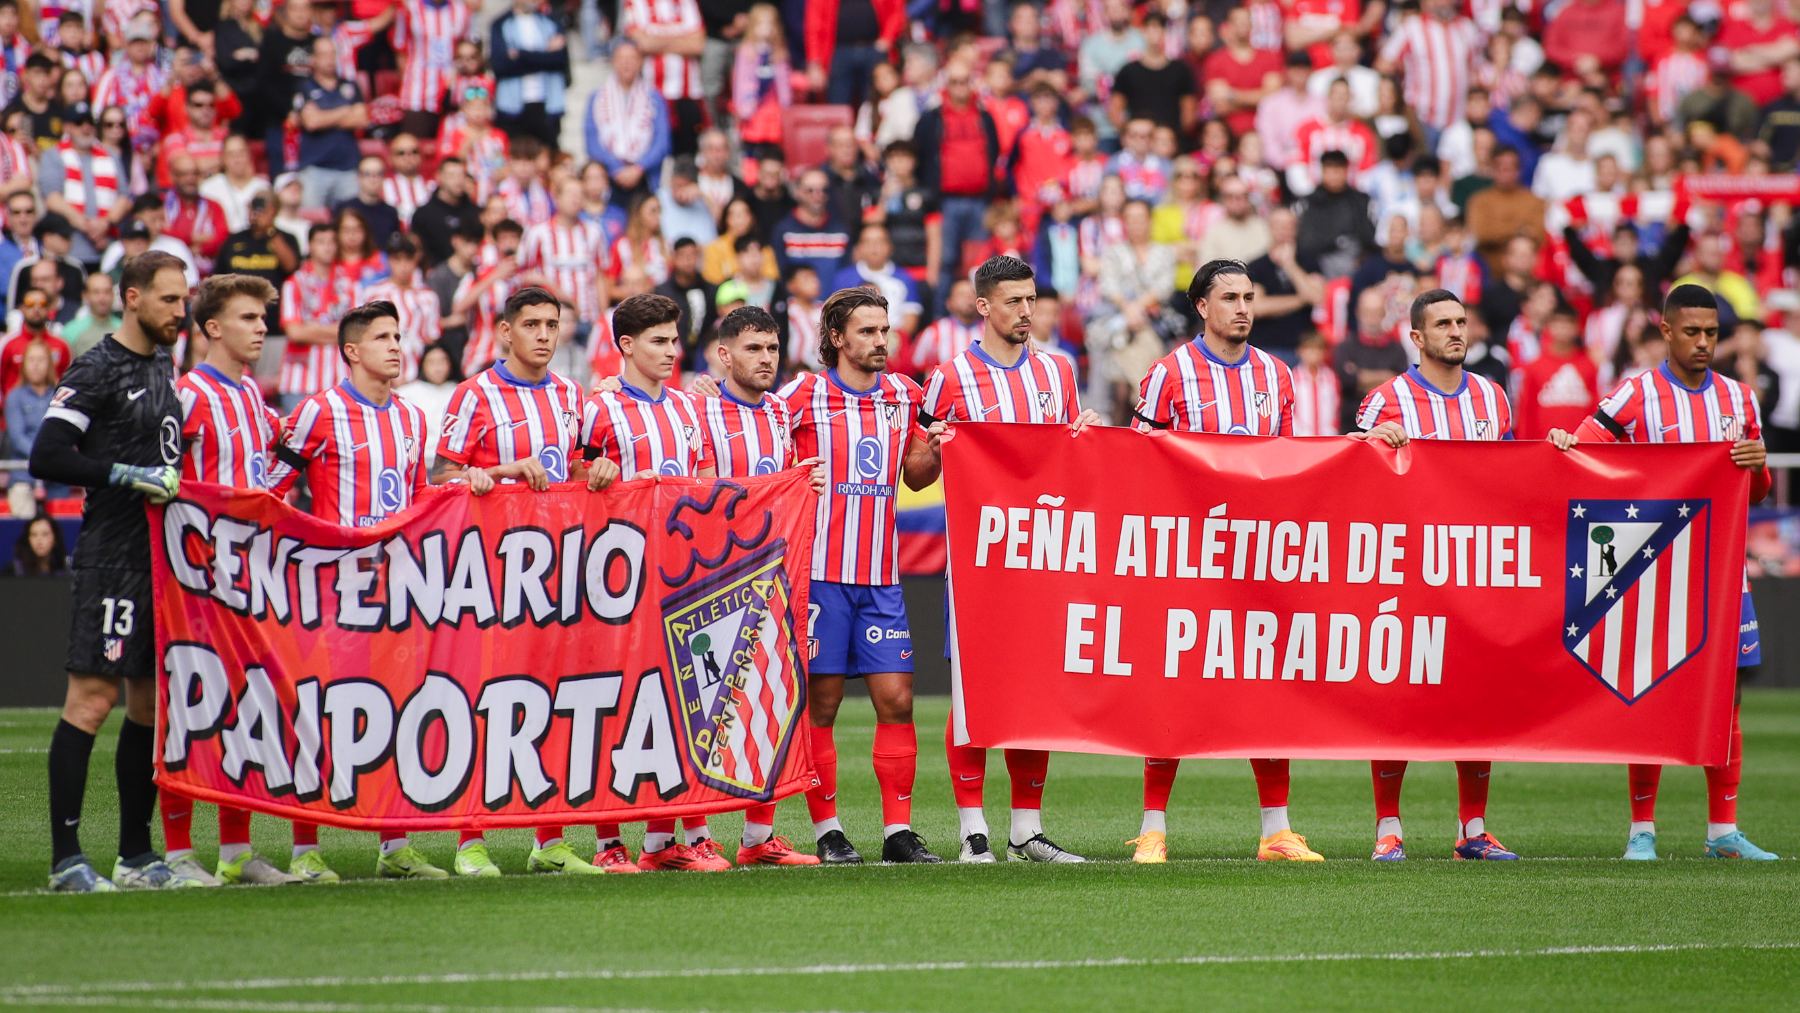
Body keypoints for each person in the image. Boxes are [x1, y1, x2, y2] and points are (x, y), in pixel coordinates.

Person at [1547, 284, 1779, 863]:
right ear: (1667, 332)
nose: (1704, 343)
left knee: (1726, 701)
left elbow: (1754, 492)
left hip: (1723, 573)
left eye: (1712, 333)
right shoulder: (1636, 394)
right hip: (1654, 572)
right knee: (1647, 696)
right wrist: (1562, 441)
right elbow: (1586, 452)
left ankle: (1723, 831)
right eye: (1693, 332)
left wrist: (1759, 467)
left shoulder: (1739, 398)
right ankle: (1641, 831)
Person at [1129, 260, 1322, 865]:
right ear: (1202, 308)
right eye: (1230, 298)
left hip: (1262, 558)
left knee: (1270, 688)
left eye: (1249, 297)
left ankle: (1276, 831)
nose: (1243, 308)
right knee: (1175, 690)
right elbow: (1134, 462)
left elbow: (1292, 460)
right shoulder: (1168, 374)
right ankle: (1153, 829)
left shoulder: (1277, 374)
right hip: (1190, 558)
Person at [908, 256, 1097, 864]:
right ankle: (972, 832)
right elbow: (915, 477)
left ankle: (1025, 830)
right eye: (1014, 302)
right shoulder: (951, 377)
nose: (1026, 312)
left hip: (1044, 557)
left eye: (1032, 300)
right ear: (983, 306)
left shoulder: (1058, 373)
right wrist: (934, 450)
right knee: (972, 695)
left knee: (1034, 694)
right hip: (976, 561)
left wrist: (1089, 436)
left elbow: (1069, 461)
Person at [432, 285, 613, 877]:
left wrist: (600, 468)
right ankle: (470, 841)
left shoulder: (568, 395)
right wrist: (488, 475)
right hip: (490, 572)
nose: (543, 334)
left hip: (561, 570)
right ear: (504, 332)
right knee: (489, 704)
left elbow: (580, 467)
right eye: (531, 323)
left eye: (551, 324)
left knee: (555, 704)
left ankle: (550, 840)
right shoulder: (475, 393)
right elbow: (441, 478)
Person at [265, 301, 445, 880]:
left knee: (398, 715)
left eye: (399, 335)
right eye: (383, 337)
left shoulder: (415, 419)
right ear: (351, 351)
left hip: (401, 591)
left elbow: (420, 501)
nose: (396, 346)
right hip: (334, 592)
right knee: (320, 716)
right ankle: (304, 850)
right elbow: (274, 491)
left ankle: (396, 848)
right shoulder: (319, 412)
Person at [30, 252, 189, 891]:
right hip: (111, 557)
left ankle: (136, 855)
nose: (181, 311)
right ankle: (67, 858)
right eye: (170, 300)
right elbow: (46, 453)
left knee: (149, 707)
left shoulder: (162, 364)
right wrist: (125, 475)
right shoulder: (96, 368)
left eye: (184, 300)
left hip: (158, 559)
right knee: (93, 700)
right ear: (131, 298)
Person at [1345, 289, 1521, 862]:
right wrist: (1368, 443)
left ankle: (1473, 830)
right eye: (1442, 324)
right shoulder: (1384, 402)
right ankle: (1388, 828)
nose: (1456, 331)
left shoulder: (1494, 400)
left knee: (1478, 701)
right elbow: (1349, 472)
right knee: (1397, 700)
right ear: (1416, 338)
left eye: (1461, 322)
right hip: (1407, 573)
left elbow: (1514, 478)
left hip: (1475, 574)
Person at [777, 286, 943, 865]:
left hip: (881, 577)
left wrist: (940, 446)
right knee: (821, 705)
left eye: (884, 330)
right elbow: (758, 444)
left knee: (897, 701)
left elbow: (919, 476)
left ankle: (898, 832)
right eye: (867, 332)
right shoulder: (803, 395)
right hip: (819, 575)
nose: (880, 341)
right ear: (837, 338)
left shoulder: (905, 394)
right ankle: (828, 831)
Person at [164, 275, 309, 887]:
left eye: (264, 318)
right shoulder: (189, 395)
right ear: (212, 328)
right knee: (189, 710)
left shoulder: (251, 396)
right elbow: (162, 476)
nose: (262, 329)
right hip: (193, 581)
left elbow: (273, 467)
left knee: (243, 710)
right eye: (249, 318)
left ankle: (235, 852)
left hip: (250, 578)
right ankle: (175, 852)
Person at [578, 292, 728, 871]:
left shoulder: (689, 410)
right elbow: (567, 485)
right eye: (659, 341)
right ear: (626, 345)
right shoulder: (599, 410)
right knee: (614, 709)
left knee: (680, 704)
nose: (671, 351)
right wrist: (593, 473)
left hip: (678, 578)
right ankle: (607, 842)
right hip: (615, 582)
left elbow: (706, 482)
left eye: (674, 340)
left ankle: (669, 841)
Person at [689, 305, 825, 867]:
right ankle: (683, 835)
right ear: (724, 356)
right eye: (753, 349)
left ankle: (756, 838)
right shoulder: (695, 410)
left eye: (772, 349)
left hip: (769, 576)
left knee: (769, 702)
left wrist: (806, 478)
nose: (767, 359)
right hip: (707, 578)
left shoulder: (777, 412)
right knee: (696, 709)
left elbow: (790, 475)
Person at [278, 221, 353, 410]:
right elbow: (295, 332)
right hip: (299, 381)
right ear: (310, 245)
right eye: (321, 242)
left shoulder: (349, 284)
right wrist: (337, 332)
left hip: (339, 381)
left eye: (331, 242)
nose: (327, 247)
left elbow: (354, 333)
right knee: (298, 439)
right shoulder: (294, 283)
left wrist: (310, 328)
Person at [586, 41, 670, 208]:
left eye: (631, 58)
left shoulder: (654, 98)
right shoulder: (597, 97)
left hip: (644, 176)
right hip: (610, 175)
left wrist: (639, 167)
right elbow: (592, 140)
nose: (626, 63)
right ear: (613, 61)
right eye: (621, 58)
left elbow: (662, 141)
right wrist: (615, 167)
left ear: (640, 62)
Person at [294, 36, 368, 209]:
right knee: (312, 222)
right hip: (315, 169)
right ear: (313, 59)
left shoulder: (350, 86)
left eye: (332, 54)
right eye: (323, 55)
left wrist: (323, 116)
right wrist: (345, 111)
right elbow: (312, 122)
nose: (329, 60)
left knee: (351, 222)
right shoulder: (304, 87)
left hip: (348, 169)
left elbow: (362, 118)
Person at [359, 233, 440, 383]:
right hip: (383, 377)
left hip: (419, 380)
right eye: (397, 259)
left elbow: (432, 338)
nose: (403, 266)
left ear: (415, 260)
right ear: (389, 260)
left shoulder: (428, 297)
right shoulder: (373, 294)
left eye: (407, 259)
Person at [489, 0, 570, 147]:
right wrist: (544, 53)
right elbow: (501, 67)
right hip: (512, 107)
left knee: (546, 157)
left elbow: (559, 61)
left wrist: (520, 54)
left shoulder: (551, 22)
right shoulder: (501, 24)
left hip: (546, 104)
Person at [5, 338, 57, 457]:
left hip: (56, 471)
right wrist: (43, 457)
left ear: (49, 363)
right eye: (31, 359)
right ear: (24, 364)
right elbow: (17, 439)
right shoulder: (14, 397)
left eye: (41, 360)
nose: (36, 365)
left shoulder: (59, 395)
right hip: (24, 471)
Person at [62, 274, 122, 359]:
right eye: (96, 292)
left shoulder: (124, 329)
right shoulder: (71, 331)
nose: (102, 298)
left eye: (107, 292)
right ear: (85, 296)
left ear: (113, 295)